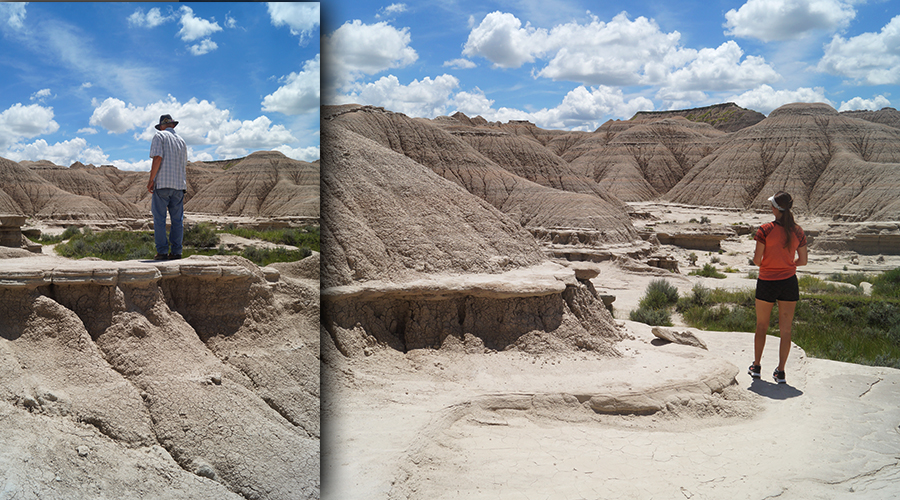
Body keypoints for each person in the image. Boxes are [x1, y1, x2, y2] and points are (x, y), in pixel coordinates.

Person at [750, 191, 807, 384]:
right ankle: (781, 371)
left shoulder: (765, 229)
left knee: (761, 326)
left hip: (767, 280)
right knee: (786, 330)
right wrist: (788, 264)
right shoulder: (798, 231)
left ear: (776, 208)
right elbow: (804, 261)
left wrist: (769, 263)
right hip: (789, 282)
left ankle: (756, 366)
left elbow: (757, 260)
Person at [147, 114, 188, 260]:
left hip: (163, 183)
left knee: (159, 219)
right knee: (177, 220)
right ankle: (176, 252)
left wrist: (151, 180)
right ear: (173, 125)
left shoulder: (160, 136)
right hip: (178, 185)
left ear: (162, 126)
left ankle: (162, 252)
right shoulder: (182, 141)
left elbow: (158, 158)